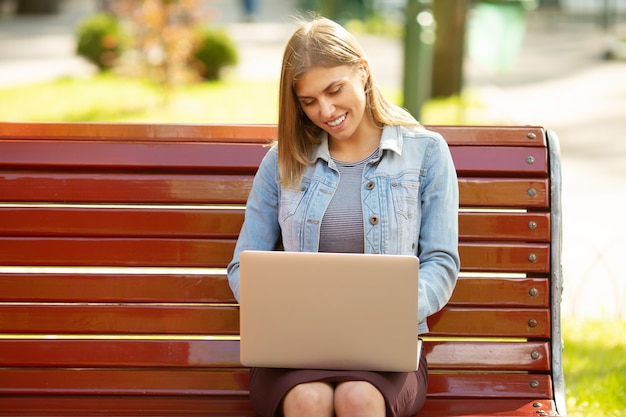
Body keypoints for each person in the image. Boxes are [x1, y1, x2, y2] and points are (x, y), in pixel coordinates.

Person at [227, 16, 460, 417]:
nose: (326, 111)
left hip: (384, 351)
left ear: (362, 72)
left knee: (358, 398)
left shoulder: (426, 153)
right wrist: (282, 308)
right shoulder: (281, 162)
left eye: (335, 90)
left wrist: (386, 308)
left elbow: (441, 262)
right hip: (293, 349)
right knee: (308, 399)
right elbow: (241, 265)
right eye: (309, 101)